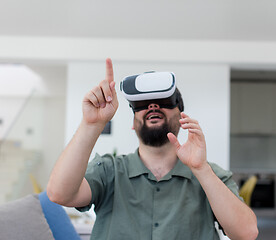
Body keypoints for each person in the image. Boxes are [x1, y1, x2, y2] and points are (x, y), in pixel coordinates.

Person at [47, 58, 258, 240]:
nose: (152, 106)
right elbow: (59, 194)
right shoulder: (109, 170)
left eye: (163, 100)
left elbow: (246, 233)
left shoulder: (211, 176)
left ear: (181, 115)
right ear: (133, 121)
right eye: (142, 104)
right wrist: (91, 125)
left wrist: (201, 169)